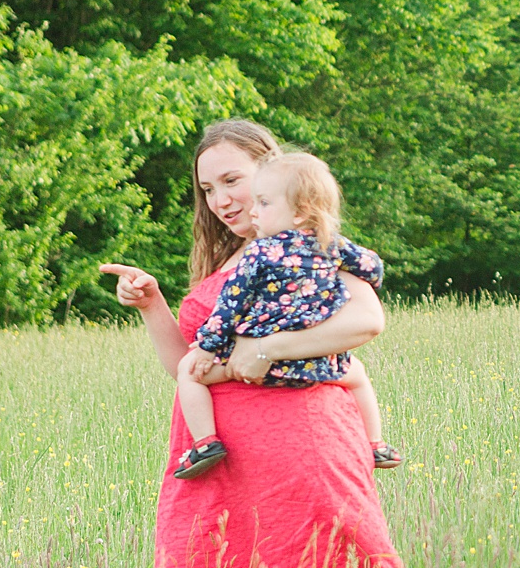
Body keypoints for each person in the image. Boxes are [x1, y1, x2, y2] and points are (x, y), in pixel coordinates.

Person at [100, 119, 422, 568]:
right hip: (221, 457)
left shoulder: (307, 244)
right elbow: (186, 365)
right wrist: (152, 303)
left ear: (272, 173)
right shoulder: (230, 259)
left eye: (232, 180)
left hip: (298, 440)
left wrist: (264, 350)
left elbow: (366, 320)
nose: (221, 200)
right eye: (207, 189)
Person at [173, 151, 404, 479]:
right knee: (359, 375)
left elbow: (230, 306)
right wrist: (369, 278)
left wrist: (208, 346)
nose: (254, 211)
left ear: (299, 213)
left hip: (255, 362)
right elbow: (372, 265)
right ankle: (377, 443)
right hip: (319, 364)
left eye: (263, 203)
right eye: (208, 189)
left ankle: (205, 442)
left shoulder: (260, 252)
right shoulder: (331, 246)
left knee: (189, 371)